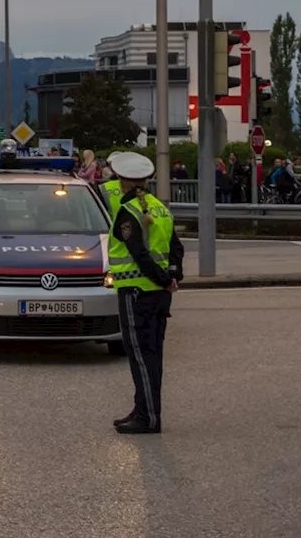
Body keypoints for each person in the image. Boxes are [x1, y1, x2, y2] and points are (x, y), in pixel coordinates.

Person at [106, 151, 184, 435]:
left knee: (140, 355)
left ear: (120, 180)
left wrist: (163, 278)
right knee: (152, 354)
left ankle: (148, 417)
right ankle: (143, 408)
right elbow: (176, 247)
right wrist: (173, 276)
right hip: (159, 294)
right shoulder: (159, 207)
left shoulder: (129, 210)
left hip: (136, 292)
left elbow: (137, 252)